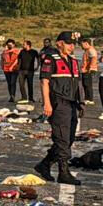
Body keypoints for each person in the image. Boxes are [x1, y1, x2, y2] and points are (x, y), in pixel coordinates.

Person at [36, 32, 84, 184]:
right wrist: (47, 103)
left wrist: (81, 102)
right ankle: (63, 173)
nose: (72, 46)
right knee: (62, 138)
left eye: (73, 44)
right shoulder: (50, 59)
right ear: (59, 44)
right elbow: (44, 82)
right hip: (58, 102)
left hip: (72, 103)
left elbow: (77, 84)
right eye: (69, 43)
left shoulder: (74, 61)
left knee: (68, 139)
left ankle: (45, 165)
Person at [16, 40, 39, 106]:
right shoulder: (21, 51)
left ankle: (31, 98)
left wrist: (37, 66)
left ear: (28, 45)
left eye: (24, 44)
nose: (23, 46)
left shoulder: (34, 52)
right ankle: (24, 97)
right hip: (21, 71)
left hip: (30, 71)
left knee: (30, 84)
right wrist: (18, 68)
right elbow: (19, 60)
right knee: (21, 84)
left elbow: (38, 59)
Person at [79, 38, 100, 106]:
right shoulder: (87, 50)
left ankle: (90, 99)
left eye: (82, 45)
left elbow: (94, 58)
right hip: (85, 70)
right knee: (85, 84)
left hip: (88, 70)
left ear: (86, 44)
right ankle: (87, 99)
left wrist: (92, 67)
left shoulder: (91, 50)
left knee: (88, 85)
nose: (81, 46)